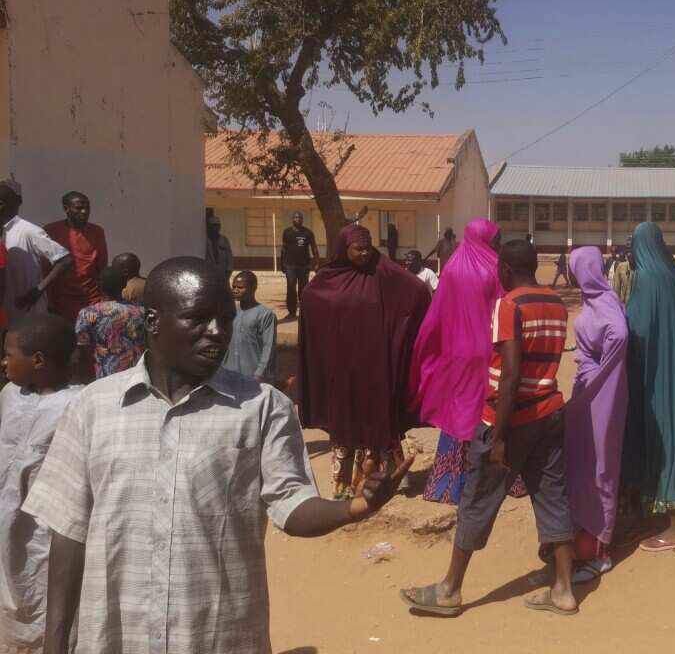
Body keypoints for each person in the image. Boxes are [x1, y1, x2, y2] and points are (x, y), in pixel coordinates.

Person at [23, 257, 411, 654]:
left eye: (225, 319)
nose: (217, 333)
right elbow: (68, 533)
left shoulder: (263, 408)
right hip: (117, 638)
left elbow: (291, 507)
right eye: (199, 319)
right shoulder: (93, 408)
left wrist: (357, 507)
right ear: (153, 321)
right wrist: (55, 644)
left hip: (219, 636)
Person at [400, 240, 578, 617]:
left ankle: (450, 590)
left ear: (506, 271)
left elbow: (511, 372)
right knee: (552, 495)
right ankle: (564, 589)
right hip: (549, 410)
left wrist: (497, 436)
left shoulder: (508, 304)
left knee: (477, 499)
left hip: (513, 419)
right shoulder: (556, 303)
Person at [299, 224, 431, 499]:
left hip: (375, 364)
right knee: (344, 421)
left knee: (377, 417)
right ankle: (343, 485)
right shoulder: (327, 278)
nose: (363, 253)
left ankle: (385, 480)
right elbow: (311, 299)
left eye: (367, 248)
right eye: (357, 248)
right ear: (343, 249)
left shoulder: (382, 270)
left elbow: (417, 290)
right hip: (341, 367)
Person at [409, 219, 511, 505]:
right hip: (489, 350)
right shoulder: (496, 268)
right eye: (496, 239)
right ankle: (489, 479)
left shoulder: (453, 267)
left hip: (457, 352)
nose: (498, 244)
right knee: (488, 408)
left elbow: (439, 312)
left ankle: (448, 484)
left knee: (459, 411)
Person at [0, 314, 80, 652]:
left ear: (38, 360)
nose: (3, 361)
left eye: (8, 353)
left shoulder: (77, 405)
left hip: (45, 541)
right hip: (6, 534)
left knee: (46, 611)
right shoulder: (10, 394)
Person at [619, 222, 675, 552]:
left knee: (660, 436)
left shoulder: (648, 281)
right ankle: (654, 512)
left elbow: (636, 332)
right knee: (671, 435)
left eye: (632, 246)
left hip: (655, 375)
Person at [562, 246, 629, 581]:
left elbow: (619, 334)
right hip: (589, 387)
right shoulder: (595, 298)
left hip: (603, 392)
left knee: (600, 465)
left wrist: (603, 371)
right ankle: (583, 539)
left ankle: (600, 550)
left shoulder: (604, 303)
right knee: (583, 462)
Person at [0, 182, 71, 325]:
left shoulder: (28, 230)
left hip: (29, 312)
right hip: (7, 311)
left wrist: (38, 290)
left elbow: (65, 259)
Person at [73, 265, 146, 381]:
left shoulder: (88, 313)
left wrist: (83, 379)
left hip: (104, 378)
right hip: (135, 376)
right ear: (124, 285)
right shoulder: (140, 311)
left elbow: (83, 352)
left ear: (99, 286)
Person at [44, 191, 109, 322]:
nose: (84, 211)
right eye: (79, 208)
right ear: (66, 209)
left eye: (87, 208)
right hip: (61, 303)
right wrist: (49, 303)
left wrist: (104, 300)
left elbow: (102, 268)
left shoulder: (97, 232)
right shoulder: (51, 231)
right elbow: (45, 269)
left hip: (91, 302)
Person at [224, 271, 278, 382]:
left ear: (253, 288)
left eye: (240, 287)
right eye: (233, 287)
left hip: (252, 376)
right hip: (230, 374)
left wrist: (259, 374)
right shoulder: (230, 312)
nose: (235, 290)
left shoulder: (265, 315)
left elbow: (268, 347)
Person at [280, 211, 318, 320]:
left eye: (300, 217)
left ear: (303, 219)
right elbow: (284, 248)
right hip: (290, 265)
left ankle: (304, 311)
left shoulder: (308, 232)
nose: (298, 219)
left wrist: (316, 262)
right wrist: (281, 263)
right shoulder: (287, 232)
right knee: (291, 288)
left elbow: (314, 247)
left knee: (303, 289)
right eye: (296, 217)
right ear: (292, 219)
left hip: (304, 266)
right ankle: (291, 312)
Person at [205, 215, 234, 280]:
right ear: (210, 227)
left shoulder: (224, 240)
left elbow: (229, 255)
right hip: (210, 271)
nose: (216, 228)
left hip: (223, 270)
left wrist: (229, 270)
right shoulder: (206, 241)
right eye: (213, 226)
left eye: (217, 226)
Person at [609, 238, 634, 303]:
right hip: (623, 307)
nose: (628, 254)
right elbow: (616, 291)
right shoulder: (621, 267)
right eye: (627, 250)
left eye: (631, 250)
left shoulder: (643, 270)